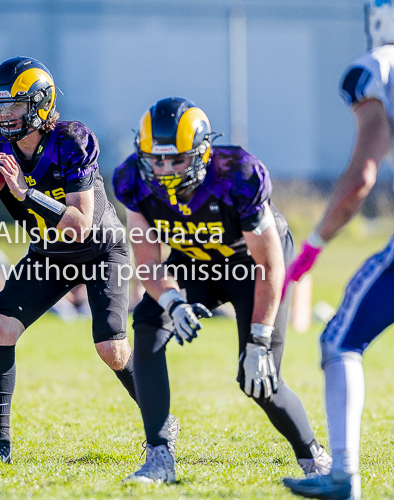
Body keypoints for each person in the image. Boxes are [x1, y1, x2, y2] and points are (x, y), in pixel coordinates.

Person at [0, 56, 179, 463]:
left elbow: (80, 224)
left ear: (40, 104)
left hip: (99, 249)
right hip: (49, 253)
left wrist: (25, 194)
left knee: (111, 348)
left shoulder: (71, 139)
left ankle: (159, 418)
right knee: (0, 327)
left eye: (15, 105)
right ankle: (0, 444)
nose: (4, 115)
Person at [112, 98, 332, 483]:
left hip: (252, 266)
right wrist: (173, 301)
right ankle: (159, 456)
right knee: (148, 319)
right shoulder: (133, 180)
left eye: (176, 160)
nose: (163, 170)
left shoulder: (237, 175)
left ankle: (313, 457)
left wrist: (259, 340)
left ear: (201, 153)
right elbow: (146, 262)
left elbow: (269, 264)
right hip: (194, 258)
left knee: (259, 379)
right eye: (155, 160)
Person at [282, 2, 394, 499]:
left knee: (340, 342)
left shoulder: (376, 67)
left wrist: (310, 248)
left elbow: (360, 178)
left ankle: (344, 475)